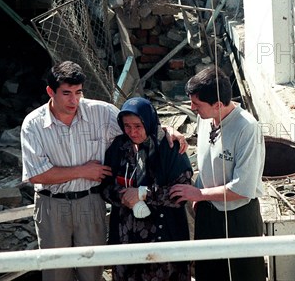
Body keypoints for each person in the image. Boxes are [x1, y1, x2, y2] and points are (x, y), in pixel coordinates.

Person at [21, 61, 187, 281]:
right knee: (55, 271)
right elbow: (36, 175)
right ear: (51, 92)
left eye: (78, 92)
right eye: (66, 93)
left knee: (92, 269)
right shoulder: (33, 125)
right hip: (52, 205)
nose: (74, 100)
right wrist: (83, 171)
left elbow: (136, 125)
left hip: (90, 203)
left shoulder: (101, 112)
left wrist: (167, 129)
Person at [170, 66, 267, 281]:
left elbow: (243, 189)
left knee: (245, 274)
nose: (192, 108)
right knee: (208, 272)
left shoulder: (247, 128)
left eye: (197, 104)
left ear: (218, 105)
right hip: (208, 212)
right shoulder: (205, 120)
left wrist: (198, 195)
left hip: (238, 217)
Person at [102, 97, 193, 281]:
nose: (132, 132)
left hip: (163, 236)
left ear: (148, 121)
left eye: (138, 126)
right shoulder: (119, 148)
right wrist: (123, 196)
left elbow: (181, 193)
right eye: (127, 126)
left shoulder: (168, 147)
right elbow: (104, 186)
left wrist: (143, 194)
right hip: (126, 237)